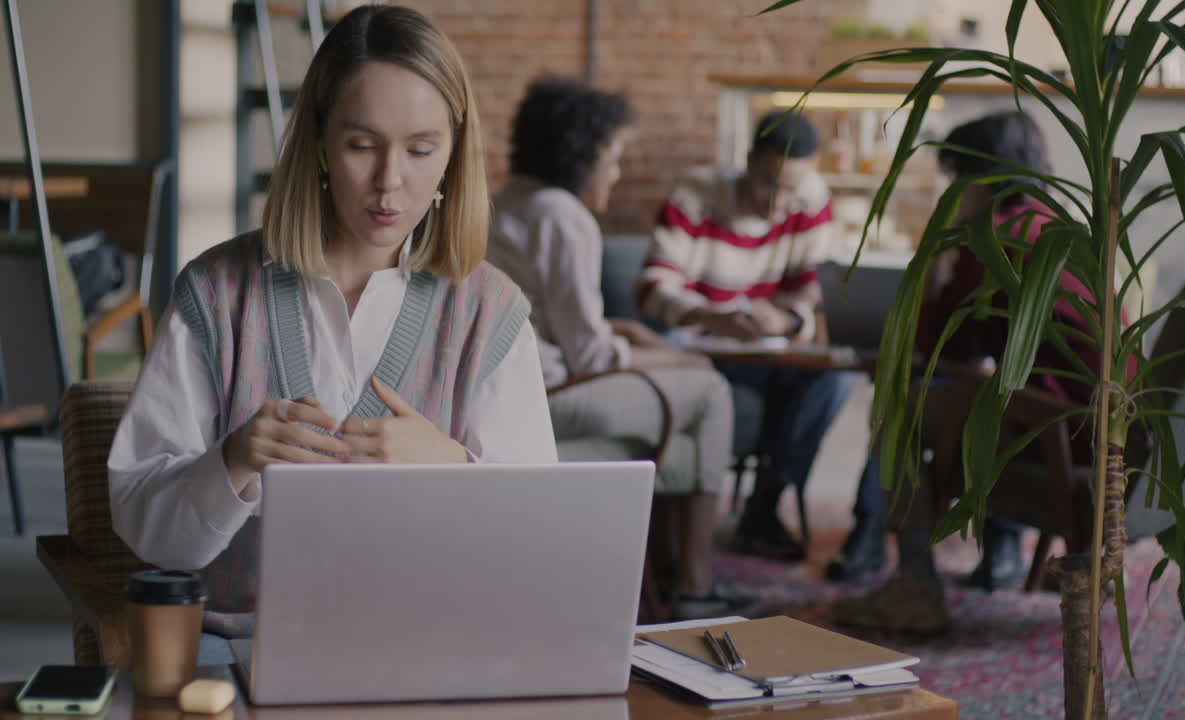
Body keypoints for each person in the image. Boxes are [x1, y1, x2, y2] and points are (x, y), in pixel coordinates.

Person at [108, 4, 556, 616]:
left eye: (421, 150)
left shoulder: (489, 312)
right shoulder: (217, 294)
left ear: (453, 153)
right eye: (361, 145)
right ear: (319, 143)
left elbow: (540, 548)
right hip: (240, 659)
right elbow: (150, 538)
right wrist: (233, 461)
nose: (389, 182)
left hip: (432, 658)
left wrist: (452, 464)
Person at [833, 111, 1118, 633]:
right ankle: (967, 562)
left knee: (900, 413)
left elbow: (942, 343)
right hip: (1112, 432)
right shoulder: (1061, 225)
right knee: (952, 404)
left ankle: (917, 585)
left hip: (1056, 433)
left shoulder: (992, 234)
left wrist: (941, 255)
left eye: (955, 178)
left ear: (973, 177)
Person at [488, 76, 749, 619]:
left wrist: (623, 331)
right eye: (615, 155)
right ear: (582, 154)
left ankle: (666, 567)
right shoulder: (564, 217)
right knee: (710, 389)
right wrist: (678, 358)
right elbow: (592, 359)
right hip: (555, 396)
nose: (617, 170)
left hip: (512, 390)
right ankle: (694, 587)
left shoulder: (507, 202)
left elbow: (547, 317)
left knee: (688, 381)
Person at [636, 111, 854, 562]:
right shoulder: (695, 196)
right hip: (701, 347)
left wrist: (787, 321)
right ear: (748, 161)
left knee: (836, 380)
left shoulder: (811, 202)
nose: (778, 202)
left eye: (791, 188)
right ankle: (734, 520)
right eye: (767, 184)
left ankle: (766, 503)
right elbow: (652, 290)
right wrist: (710, 316)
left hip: (770, 351)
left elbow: (814, 300)